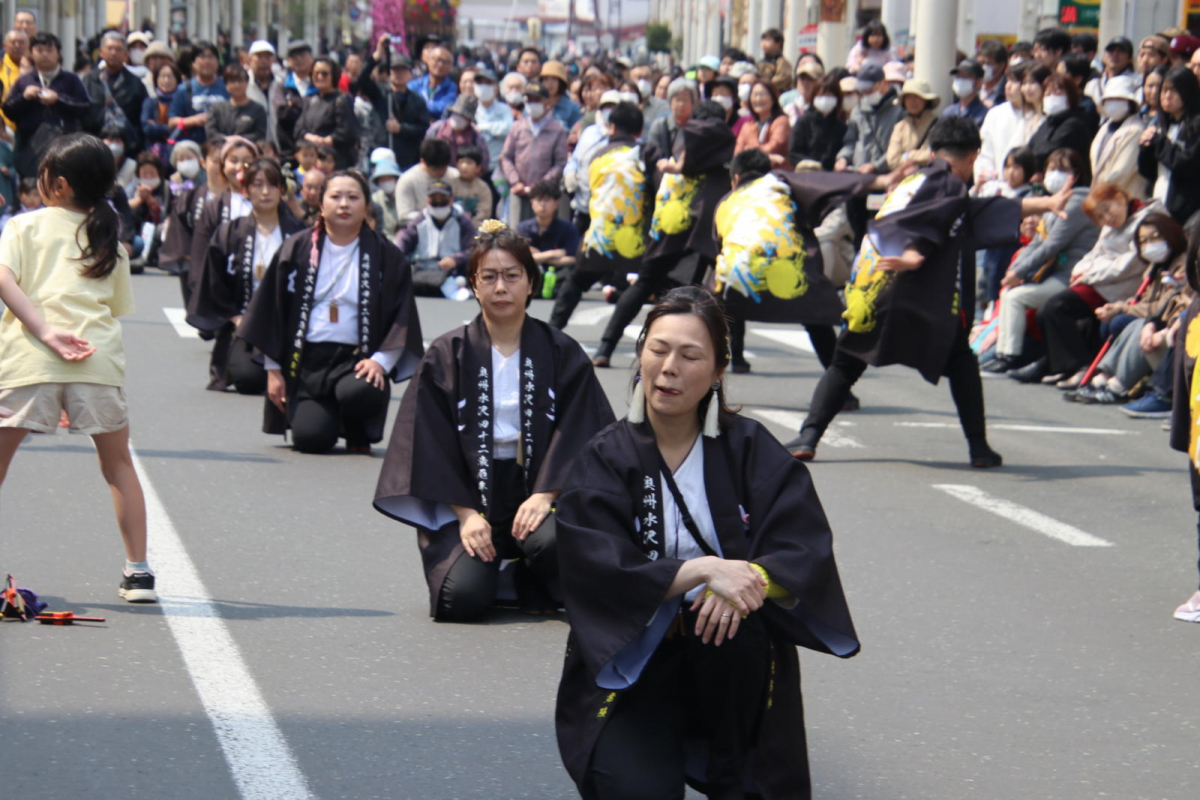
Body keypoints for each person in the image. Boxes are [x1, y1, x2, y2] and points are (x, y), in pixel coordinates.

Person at [554, 285, 858, 800]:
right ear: (641, 353)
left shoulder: (749, 448)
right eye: (658, 349)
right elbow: (593, 565)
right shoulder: (605, 457)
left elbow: (802, 542)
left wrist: (751, 578)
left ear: (718, 371)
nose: (668, 367)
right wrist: (701, 571)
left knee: (734, 623)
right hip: (637, 660)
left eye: (690, 355)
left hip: (728, 659)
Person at [788, 116, 1073, 468]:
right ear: (971, 157)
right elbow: (927, 218)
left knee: (847, 363)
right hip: (911, 289)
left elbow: (972, 213)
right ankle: (979, 447)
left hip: (874, 287)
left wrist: (1044, 205)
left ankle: (809, 436)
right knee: (960, 362)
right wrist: (915, 250)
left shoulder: (918, 181)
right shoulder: (946, 182)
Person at [375, 220, 614, 620]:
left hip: (537, 485)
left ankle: (527, 571)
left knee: (554, 544)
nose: (501, 287)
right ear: (474, 284)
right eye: (489, 277)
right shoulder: (447, 353)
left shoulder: (561, 351)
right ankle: (494, 570)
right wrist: (466, 515)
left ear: (531, 284)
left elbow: (584, 429)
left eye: (512, 276)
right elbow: (430, 441)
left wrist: (547, 494)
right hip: (469, 491)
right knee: (461, 601)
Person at [0, 132, 156, 604]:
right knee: (118, 466)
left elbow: (3, 279)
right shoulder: (112, 240)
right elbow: (114, 308)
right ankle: (139, 572)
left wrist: (46, 332)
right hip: (95, 361)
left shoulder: (24, 226)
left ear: (59, 184)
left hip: (30, 359)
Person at [239, 170, 424, 455]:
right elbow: (269, 312)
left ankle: (355, 427)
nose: (344, 204)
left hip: (357, 360)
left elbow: (402, 318)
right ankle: (322, 417)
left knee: (361, 391)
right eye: (335, 196)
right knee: (311, 439)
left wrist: (380, 362)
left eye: (353, 197)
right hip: (307, 361)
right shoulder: (297, 248)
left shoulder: (387, 256)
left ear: (366, 206)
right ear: (321, 205)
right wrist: (273, 371)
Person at [593, 101, 736, 366]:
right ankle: (735, 357)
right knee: (729, 286)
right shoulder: (713, 133)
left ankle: (605, 347)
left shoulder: (686, 137)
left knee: (647, 282)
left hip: (676, 211)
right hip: (708, 212)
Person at [1029, 185, 1164, 388]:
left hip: (1120, 285)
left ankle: (1078, 366)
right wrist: (1080, 270)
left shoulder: (1146, 218)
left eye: (1108, 210)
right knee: (1045, 312)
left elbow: (1127, 266)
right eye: (1100, 217)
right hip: (1100, 281)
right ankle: (1062, 366)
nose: (1107, 219)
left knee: (1055, 308)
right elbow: (1095, 252)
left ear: (1120, 197)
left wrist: (1090, 275)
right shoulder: (1111, 226)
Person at [190, 158, 304, 394]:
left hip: (287, 325)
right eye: (258, 184)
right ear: (245, 190)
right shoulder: (230, 233)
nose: (265, 192)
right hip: (246, 324)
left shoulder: (299, 234)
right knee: (249, 379)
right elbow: (215, 283)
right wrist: (235, 317)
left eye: (272, 185)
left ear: (281, 190)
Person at [984, 147, 1098, 379]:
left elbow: (1051, 246)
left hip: (1070, 274)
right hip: (1051, 272)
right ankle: (1004, 353)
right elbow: (1037, 241)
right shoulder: (1053, 202)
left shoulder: (1078, 202)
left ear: (1075, 176)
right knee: (1008, 292)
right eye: (1050, 169)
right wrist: (1015, 269)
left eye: (1061, 170)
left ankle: (1010, 355)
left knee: (1016, 297)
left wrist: (1020, 271)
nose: (1053, 174)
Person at [1065, 211, 1186, 402]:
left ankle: (1119, 385)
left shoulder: (1183, 264)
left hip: (1167, 323)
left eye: (1155, 237)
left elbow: (1163, 306)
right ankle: (1103, 377)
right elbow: (1143, 299)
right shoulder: (1155, 265)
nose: (1150, 245)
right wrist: (1116, 306)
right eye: (1144, 241)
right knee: (1114, 322)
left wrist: (1123, 309)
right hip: (1154, 318)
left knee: (1131, 323)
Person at [549, 102, 646, 330]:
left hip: (601, 235)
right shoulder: (644, 155)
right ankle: (608, 343)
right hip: (637, 238)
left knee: (576, 281)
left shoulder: (598, 155)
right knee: (647, 285)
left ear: (611, 128)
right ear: (640, 132)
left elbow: (587, 190)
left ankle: (552, 329)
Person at [3, 32, 89, 178]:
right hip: (29, 148)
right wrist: (24, 98)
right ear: (31, 53)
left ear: (58, 54)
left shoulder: (71, 79)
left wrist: (58, 99)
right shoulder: (24, 81)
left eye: (49, 50)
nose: (44, 55)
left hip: (64, 145)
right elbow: (8, 110)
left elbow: (85, 107)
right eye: (39, 50)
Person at [499, 80, 568, 226]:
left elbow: (560, 163)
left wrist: (542, 185)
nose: (532, 103)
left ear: (547, 102)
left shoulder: (557, 130)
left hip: (544, 196)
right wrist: (515, 181)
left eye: (537, 100)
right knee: (516, 234)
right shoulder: (517, 127)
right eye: (529, 100)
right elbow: (506, 157)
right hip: (519, 191)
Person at [356, 39, 430, 172]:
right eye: (395, 70)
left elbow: (423, 129)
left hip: (406, 160)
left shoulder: (417, 100)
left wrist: (401, 128)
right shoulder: (379, 93)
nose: (399, 74)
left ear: (410, 73)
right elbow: (361, 80)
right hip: (380, 156)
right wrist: (376, 56)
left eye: (403, 70)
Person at [1138, 65, 1200, 224]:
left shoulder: (1196, 125)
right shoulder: (1162, 124)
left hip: (1187, 212)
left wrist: (1159, 142)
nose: (1167, 96)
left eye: (1173, 90)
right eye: (1164, 90)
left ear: (1187, 92)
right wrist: (1145, 147)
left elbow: (1187, 164)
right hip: (1159, 201)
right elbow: (1149, 171)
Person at [396, 180, 477, 297]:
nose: (438, 203)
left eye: (442, 199)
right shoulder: (418, 221)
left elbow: (473, 249)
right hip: (423, 271)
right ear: (427, 200)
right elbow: (403, 242)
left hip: (452, 273)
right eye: (434, 199)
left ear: (451, 199)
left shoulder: (463, 221)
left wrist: (456, 259)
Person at [83, 31, 148, 151]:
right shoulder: (89, 81)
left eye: (118, 49)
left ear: (125, 54)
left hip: (126, 147)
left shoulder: (136, 84)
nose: (114, 53)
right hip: (93, 146)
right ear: (101, 52)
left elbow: (141, 120)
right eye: (110, 48)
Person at [292, 57, 359, 171]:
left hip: (335, 162)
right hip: (311, 162)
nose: (320, 77)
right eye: (316, 73)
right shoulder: (310, 101)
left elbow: (347, 132)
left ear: (333, 76)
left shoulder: (341, 101)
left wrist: (324, 141)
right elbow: (298, 129)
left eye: (324, 74)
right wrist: (311, 138)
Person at [1090, 75, 1147, 198]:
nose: (1113, 102)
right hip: (1101, 197)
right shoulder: (1105, 127)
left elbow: (1121, 172)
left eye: (1119, 98)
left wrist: (1099, 193)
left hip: (1124, 197)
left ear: (1130, 103)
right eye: (1110, 99)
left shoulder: (1136, 130)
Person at [1028, 72, 1093, 171]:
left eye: (1057, 93)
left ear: (1070, 96)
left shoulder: (1074, 123)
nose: (1052, 97)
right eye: (1048, 94)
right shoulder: (1047, 123)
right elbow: (1030, 146)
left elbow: (1049, 151)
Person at [167, 40, 228, 145]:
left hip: (223, 143)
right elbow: (171, 122)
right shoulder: (184, 89)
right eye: (202, 57)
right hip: (192, 145)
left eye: (211, 57)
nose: (207, 61)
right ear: (193, 63)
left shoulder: (227, 87)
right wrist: (193, 121)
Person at [643, 78, 696, 190]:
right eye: (677, 100)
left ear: (693, 103)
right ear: (670, 102)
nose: (681, 104)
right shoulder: (660, 125)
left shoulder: (698, 127)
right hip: (663, 179)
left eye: (685, 100)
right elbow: (653, 156)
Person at [517, 179, 580, 275]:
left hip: (560, 274)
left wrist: (538, 257)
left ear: (556, 203)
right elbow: (520, 258)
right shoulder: (523, 228)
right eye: (539, 200)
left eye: (547, 200)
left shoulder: (568, 229)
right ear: (532, 203)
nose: (542, 204)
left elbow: (573, 259)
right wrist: (552, 254)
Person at [789, 74, 847, 170]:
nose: (825, 99)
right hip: (806, 174)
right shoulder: (803, 121)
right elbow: (793, 152)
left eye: (829, 95)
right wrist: (811, 165)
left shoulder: (841, 127)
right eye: (821, 95)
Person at [395, 138, 460, 221]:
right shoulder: (407, 180)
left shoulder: (456, 176)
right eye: (435, 169)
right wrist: (434, 214)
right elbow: (404, 216)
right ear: (423, 161)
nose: (441, 172)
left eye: (444, 167)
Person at [733, 79, 791, 169]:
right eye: (755, 95)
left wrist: (748, 149)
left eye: (762, 94)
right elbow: (737, 154)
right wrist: (769, 157)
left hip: (776, 173)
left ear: (773, 98)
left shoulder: (781, 121)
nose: (758, 99)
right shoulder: (747, 127)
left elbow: (773, 147)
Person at [204, 63, 268, 144]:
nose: (237, 85)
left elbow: (260, 134)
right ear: (225, 85)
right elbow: (210, 132)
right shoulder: (216, 109)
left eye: (240, 81)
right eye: (232, 81)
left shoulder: (258, 109)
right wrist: (226, 139)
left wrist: (239, 139)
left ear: (247, 83)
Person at [426, 93, 489, 173]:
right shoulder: (436, 129)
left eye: (463, 116)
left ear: (469, 120)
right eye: (456, 113)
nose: (458, 117)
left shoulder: (477, 137)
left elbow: (484, 164)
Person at [886, 78, 940, 170]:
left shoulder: (938, 124)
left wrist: (907, 155)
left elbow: (935, 155)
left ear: (925, 100)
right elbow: (892, 160)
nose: (912, 101)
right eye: (908, 97)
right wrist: (920, 157)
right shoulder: (900, 127)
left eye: (917, 96)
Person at [141, 62, 181, 162]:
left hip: (177, 148)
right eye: (162, 76)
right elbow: (147, 128)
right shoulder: (149, 102)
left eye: (170, 76)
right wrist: (169, 127)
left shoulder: (182, 101)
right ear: (156, 79)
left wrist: (156, 126)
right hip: (152, 150)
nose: (166, 80)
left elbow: (181, 128)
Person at [1085, 36, 1136, 109]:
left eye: (1121, 51)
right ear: (1104, 56)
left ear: (1130, 59)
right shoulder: (1093, 85)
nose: (1115, 54)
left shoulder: (1136, 82)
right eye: (1111, 50)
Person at [409, 44, 457, 119]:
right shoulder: (415, 84)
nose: (440, 64)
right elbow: (408, 104)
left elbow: (444, 108)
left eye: (445, 62)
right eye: (437, 60)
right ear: (428, 61)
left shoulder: (451, 88)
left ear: (450, 67)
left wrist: (418, 106)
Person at [452, 145, 492, 225]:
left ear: (478, 168)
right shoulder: (452, 184)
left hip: (475, 225)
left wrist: (472, 218)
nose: (464, 166)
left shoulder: (482, 187)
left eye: (469, 163)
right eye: (461, 162)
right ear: (456, 165)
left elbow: (485, 210)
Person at [943, 59, 988, 126]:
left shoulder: (984, 114)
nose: (960, 81)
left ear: (979, 82)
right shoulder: (949, 111)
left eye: (965, 77)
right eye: (958, 77)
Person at [0, 29, 29, 131]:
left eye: (21, 42)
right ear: (4, 45)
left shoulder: (35, 67)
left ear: (28, 45)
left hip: (27, 128)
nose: (17, 45)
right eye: (13, 42)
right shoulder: (1, 65)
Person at [540, 60, 582, 129]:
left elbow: (574, 133)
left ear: (561, 82)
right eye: (546, 79)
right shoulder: (535, 103)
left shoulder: (572, 108)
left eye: (554, 79)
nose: (550, 83)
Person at [369, 160, 402, 240]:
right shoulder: (375, 199)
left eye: (389, 179)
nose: (386, 182)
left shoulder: (405, 195)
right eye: (383, 180)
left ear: (396, 179)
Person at [757, 27, 793, 93]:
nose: (763, 44)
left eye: (768, 40)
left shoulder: (782, 62)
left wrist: (764, 85)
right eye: (763, 40)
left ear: (778, 43)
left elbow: (782, 79)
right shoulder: (760, 63)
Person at [976, 39, 1009, 108]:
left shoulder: (1008, 91)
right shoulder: (972, 88)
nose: (982, 67)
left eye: (987, 63)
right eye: (980, 63)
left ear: (1001, 66)